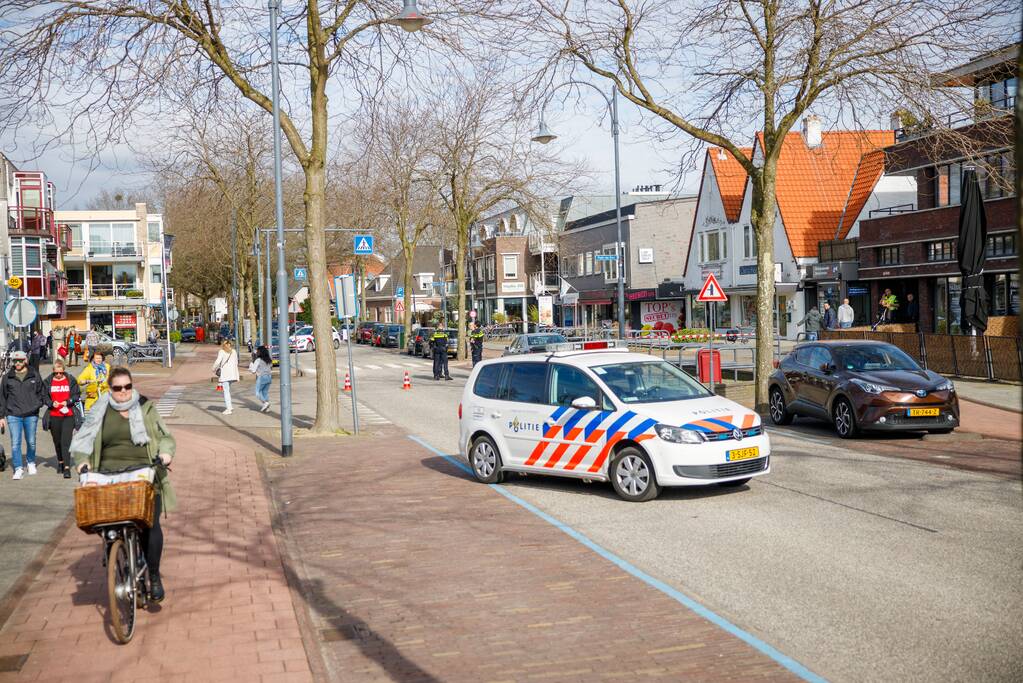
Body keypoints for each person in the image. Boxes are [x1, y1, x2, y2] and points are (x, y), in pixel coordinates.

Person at [72, 366, 176, 603]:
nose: (123, 392)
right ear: (110, 389)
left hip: (145, 472)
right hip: (108, 475)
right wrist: (82, 464)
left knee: (151, 525)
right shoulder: (99, 411)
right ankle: (116, 553)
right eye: (117, 388)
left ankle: (153, 574)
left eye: (127, 387)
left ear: (132, 386)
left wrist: (165, 454)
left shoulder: (145, 407)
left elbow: (166, 437)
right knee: (106, 525)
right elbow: (81, 444)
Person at [0, 351, 47, 480]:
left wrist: (37, 405)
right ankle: (18, 468)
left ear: (25, 360)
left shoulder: (34, 375)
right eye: (15, 361)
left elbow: (41, 391)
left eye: (20, 360)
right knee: (15, 443)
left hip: (31, 414)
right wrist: (1, 417)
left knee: (31, 442)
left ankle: (31, 462)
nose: (18, 363)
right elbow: (2, 398)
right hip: (13, 414)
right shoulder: (7, 377)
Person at [42, 359, 82, 478]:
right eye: (56, 373)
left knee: (66, 441)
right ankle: (60, 461)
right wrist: (50, 403)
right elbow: (44, 396)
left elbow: (76, 394)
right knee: (57, 441)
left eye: (61, 372)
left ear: (64, 370)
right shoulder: (48, 381)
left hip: (68, 415)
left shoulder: (70, 380)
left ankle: (67, 467)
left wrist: (67, 401)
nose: (59, 375)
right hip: (54, 415)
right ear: (53, 371)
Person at [213, 340, 239, 415]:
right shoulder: (234, 351)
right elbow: (236, 362)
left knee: (226, 392)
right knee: (228, 390)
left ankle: (228, 409)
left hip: (225, 375)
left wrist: (213, 369)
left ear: (223, 345)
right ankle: (230, 406)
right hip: (233, 374)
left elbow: (218, 362)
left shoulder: (221, 351)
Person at [248, 345, 273, 413]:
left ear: (260, 352)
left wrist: (250, 366)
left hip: (261, 377)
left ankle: (265, 403)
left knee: (257, 392)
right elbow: (270, 367)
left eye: (258, 351)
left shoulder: (258, 360)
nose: (257, 352)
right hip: (269, 377)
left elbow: (253, 371)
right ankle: (267, 407)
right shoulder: (269, 359)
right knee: (265, 393)